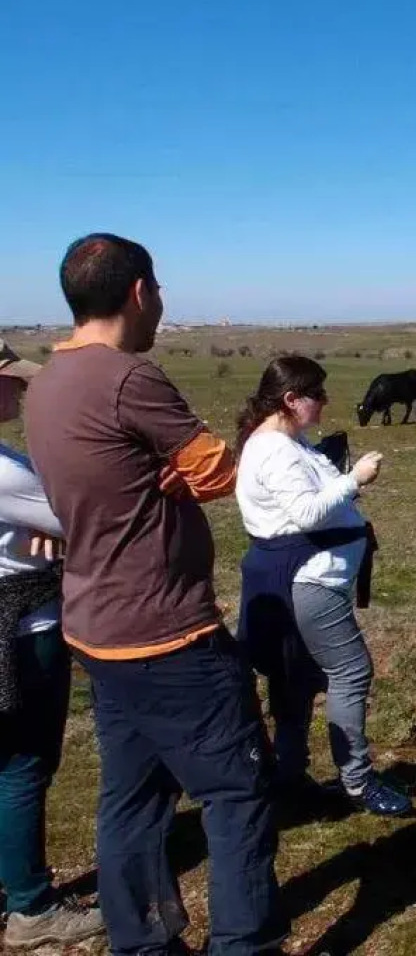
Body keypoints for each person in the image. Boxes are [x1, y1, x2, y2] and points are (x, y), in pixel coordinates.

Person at [23, 234, 286, 956]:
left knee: (132, 797)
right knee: (237, 792)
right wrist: (178, 472)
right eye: (160, 290)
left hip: (94, 624)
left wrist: (155, 474)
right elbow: (218, 471)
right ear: (139, 292)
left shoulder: (45, 384)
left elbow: (107, 478)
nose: (163, 306)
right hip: (167, 631)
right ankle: (245, 944)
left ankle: (140, 942)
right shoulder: (128, 379)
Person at [234, 356, 411, 817]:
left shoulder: (291, 442)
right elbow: (307, 513)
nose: (325, 401)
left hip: (306, 577)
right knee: (351, 671)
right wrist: (354, 480)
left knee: (297, 681)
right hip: (311, 581)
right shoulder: (274, 449)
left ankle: (289, 777)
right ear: (291, 399)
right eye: (318, 394)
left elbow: (318, 491)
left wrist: (342, 480)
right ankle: (357, 781)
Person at [0, 342, 106, 950]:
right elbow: (93, 514)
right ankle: (32, 909)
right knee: (23, 768)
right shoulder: (7, 470)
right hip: (23, 633)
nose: (19, 393)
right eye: (10, 383)